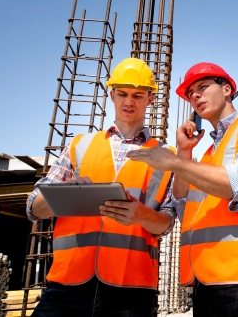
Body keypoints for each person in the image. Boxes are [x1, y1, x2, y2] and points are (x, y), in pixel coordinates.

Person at [126, 62, 238, 317]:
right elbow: (181, 200)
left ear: (228, 89)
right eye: (191, 94)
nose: (195, 96)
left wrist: (175, 162)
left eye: (202, 87)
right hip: (206, 280)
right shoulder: (210, 154)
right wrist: (184, 153)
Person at [26, 57, 175, 317]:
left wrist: (141, 214)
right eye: (122, 94)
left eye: (138, 95)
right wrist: (65, 193)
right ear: (112, 95)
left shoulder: (165, 156)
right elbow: (33, 208)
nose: (129, 102)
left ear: (150, 99)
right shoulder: (80, 146)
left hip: (131, 289)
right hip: (68, 283)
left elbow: (167, 224)